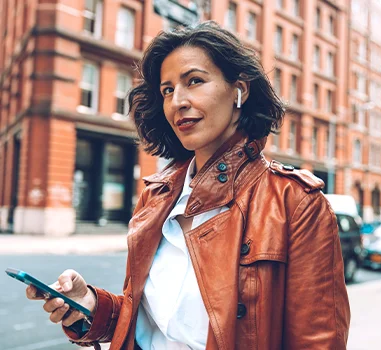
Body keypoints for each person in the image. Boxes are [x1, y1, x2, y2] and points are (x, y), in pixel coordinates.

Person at [26, 21, 350, 349]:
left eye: (194, 81)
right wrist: (90, 305)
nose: (177, 101)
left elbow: (317, 342)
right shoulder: (157, 196)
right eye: (167, 90)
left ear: (240, 90)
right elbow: (154, 321)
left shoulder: (295, 203)